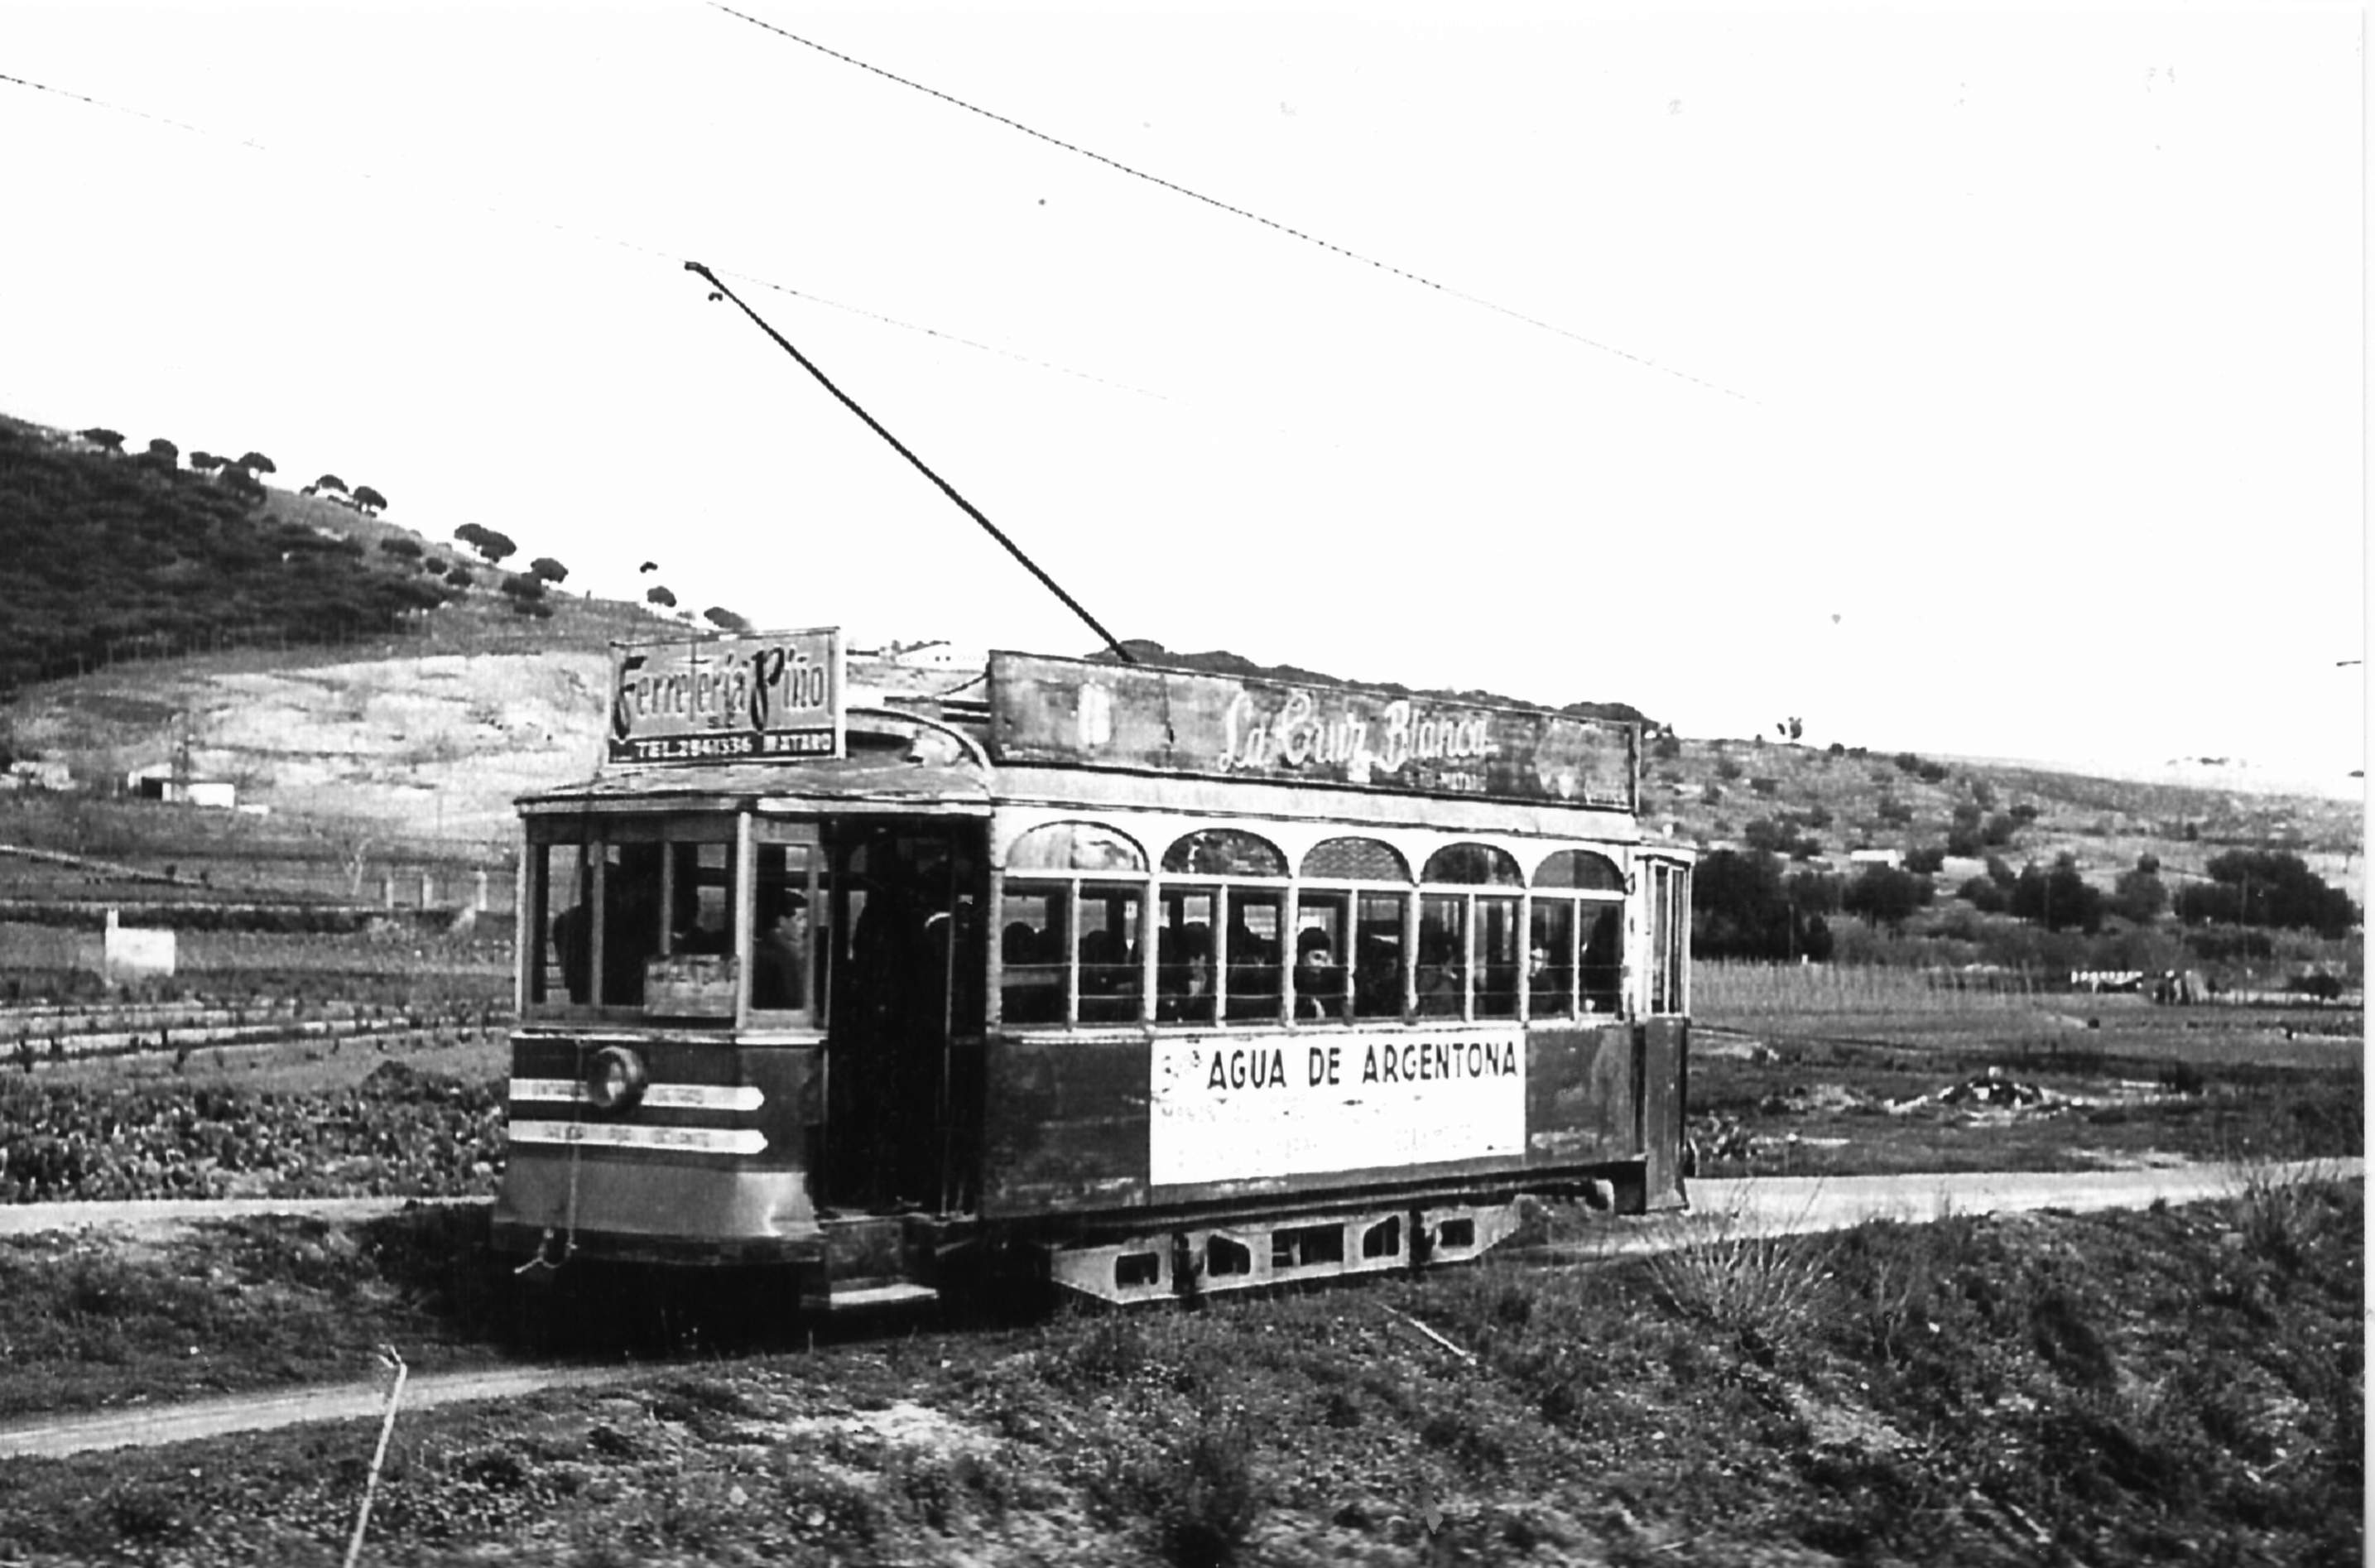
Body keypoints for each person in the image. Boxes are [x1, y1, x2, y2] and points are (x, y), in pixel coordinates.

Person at [752, 894, 809, 1011]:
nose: (804, 925)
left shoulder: (786, 952)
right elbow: (792, 998)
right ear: (782, 921)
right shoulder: (780, 956)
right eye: (799, 919)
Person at [1294, 930, 1342, 1019]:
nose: (1323, 965)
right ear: (1301, 959)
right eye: (1317, 957)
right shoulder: (1292, 992)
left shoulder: (1334, 992)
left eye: (1326, 959)